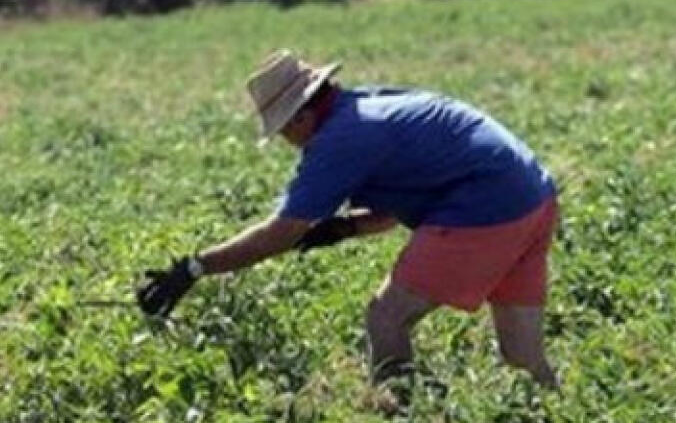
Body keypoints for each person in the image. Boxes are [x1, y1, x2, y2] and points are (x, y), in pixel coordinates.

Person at [136, 50, 560, 390]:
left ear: (302, 115)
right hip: (533, 197)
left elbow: (281, 233)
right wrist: (343, 228)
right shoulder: (367, 107)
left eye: (284, 129)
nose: (286, 140)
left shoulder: (340, 139)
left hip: (485, 207)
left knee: (386, 317)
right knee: (523, 360)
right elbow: (400, 204)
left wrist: (193, 268)